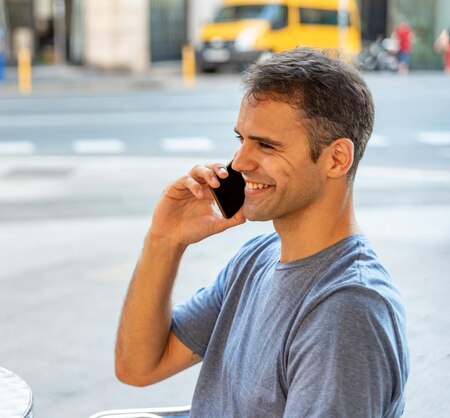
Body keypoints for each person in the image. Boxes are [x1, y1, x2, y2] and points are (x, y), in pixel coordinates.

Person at [115, 48, 409, 417]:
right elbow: (138, 366)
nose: (239, 162)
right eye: (242, 139)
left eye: (266, 145)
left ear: (336, 159)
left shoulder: (347, 310)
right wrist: (164, 241)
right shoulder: (257, 258)